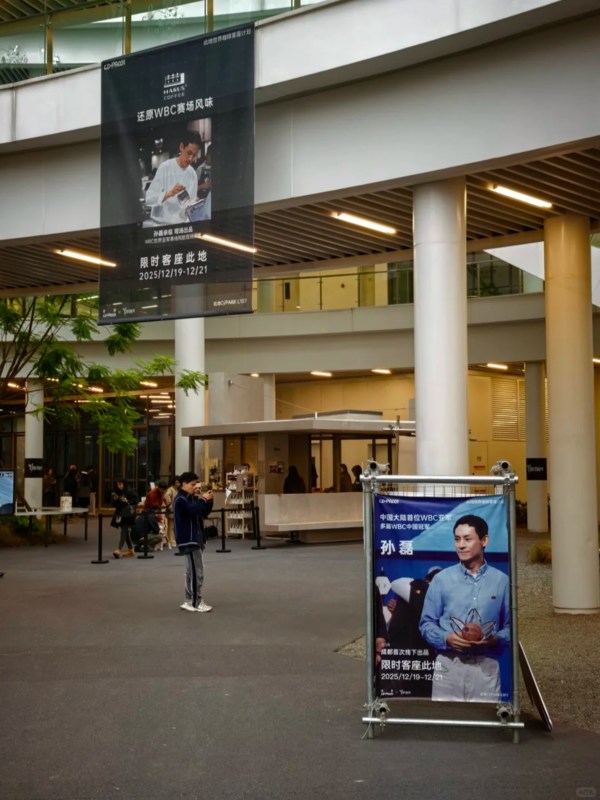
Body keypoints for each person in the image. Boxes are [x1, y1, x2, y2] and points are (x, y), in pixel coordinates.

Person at [419, 514, 510, 703]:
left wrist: (494, 640)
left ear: (484, 540)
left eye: (467, 539)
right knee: (445, 724)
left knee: (486, 726)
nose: (461, 545)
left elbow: (513, 627)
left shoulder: (502, 581)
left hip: (486, 667)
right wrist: (446, 638)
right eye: (457, 539)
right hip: (448, 665)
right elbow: (426, 623)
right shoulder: (441, 580)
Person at [173, 472, 213, 613]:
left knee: (192, 572)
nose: (194, 487)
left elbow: (202, 512)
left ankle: (189, 600)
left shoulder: (189, 498)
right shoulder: (181, 500)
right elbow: (193, 510)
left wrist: (209, 500)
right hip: (189, 540)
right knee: (197, 572)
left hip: (194, 539)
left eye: (195, 484)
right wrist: (202, 499)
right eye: (192, 484)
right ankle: (196, 602)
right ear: (183, 484)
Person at [144, 131, 201, 225]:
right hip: (161, 226)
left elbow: (190, 202)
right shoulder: (165, 167)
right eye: (189, 153)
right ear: (181, 147)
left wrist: (194, 205)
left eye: (194, 155)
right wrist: (169, 193)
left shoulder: (192, 174)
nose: (191, 159)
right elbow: (149, 198)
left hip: (182, 225)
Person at [110, 480, 136, 559]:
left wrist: (127, 501)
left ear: (124, 484)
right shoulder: (116, 492)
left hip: (128, 514)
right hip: (120, 513)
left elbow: (135, 501)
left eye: (120, 484)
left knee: (124, 530)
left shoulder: (130, 491)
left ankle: (119, 549)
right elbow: (113, 504)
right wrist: (115, 499)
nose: (119, 486)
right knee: (125, 532)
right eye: (118, 484)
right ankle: (131, 549)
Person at [162, 476, 180, 549]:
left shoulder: (176, 489)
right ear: (174, 482)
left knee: (173, 526)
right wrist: (169, 505)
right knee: (171, 527)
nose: (178, 484)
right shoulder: (171, 489)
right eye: (177, 482)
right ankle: (171, 541)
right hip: (172, 510)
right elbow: (166, 496)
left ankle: (173, 540)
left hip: (175, 510)